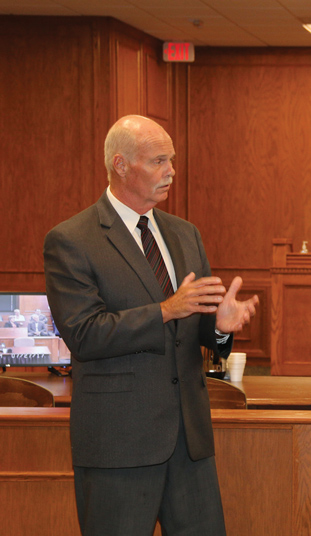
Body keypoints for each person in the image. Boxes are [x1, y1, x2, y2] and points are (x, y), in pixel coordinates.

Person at [44, 114, 259, 536]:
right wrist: (164, 310)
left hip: (189, 443)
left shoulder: (185, 234)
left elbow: (195, 325)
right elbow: (84, 334)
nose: (172, 172)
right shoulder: (73, 239)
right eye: (159, 161)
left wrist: (220, 327)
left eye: (172, 160)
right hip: (118, 445)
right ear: (121, 165)